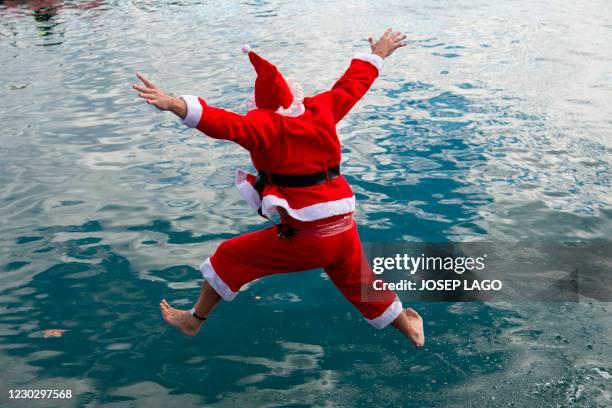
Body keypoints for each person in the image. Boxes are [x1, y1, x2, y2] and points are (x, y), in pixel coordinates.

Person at [133, 29, 424, 347]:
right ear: (293, 97)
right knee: (358, 282)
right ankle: (410, 329)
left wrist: (175, 104)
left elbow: (223, 123)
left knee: (230, 257)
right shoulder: (321, 110)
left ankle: (193, 321)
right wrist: (378, 53)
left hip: (311, 236)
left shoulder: (265, 126)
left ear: (261, 106)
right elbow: (352, 85)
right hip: (343, 226)